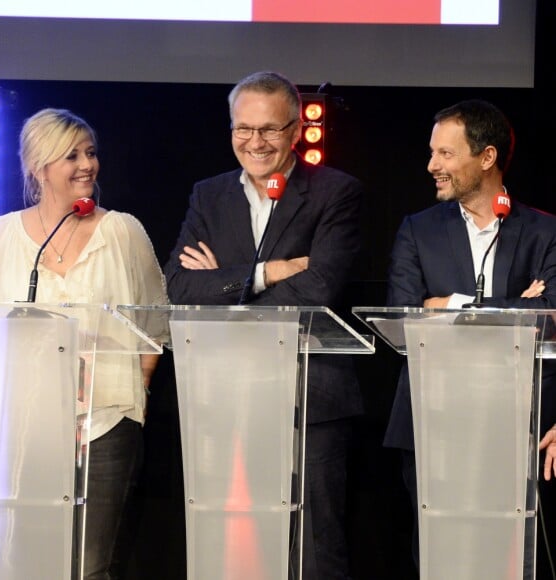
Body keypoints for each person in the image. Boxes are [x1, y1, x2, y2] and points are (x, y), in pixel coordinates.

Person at [164, 71, 364, 579]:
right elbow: (181, 286)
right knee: (232, 542)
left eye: (269, 130)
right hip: (226, 396)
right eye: (243, 129)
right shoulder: (208, 196)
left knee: (316, 547)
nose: (255, 142)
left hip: (309, 399)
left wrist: (226, 287)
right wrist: (268, 272)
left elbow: (320, 289)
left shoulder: (336, 192)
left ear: (296, 131)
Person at [0, 108, 168, 579]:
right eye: (72, 156)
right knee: (22, 558)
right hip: (23, 429)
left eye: (91, 152)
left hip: (105, 421)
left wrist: (134, 390)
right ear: (39, 168)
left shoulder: (122, 231)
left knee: (90, 564)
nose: (88, 165)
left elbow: (155, 320)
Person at [383, 98, 556, 576]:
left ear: (487, 157)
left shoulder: (544, 232)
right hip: (432, 417)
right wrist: (515, 304)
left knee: (505, 557)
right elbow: (404, 317)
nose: (431, 166)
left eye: (445, 154)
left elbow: (551, 317)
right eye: (432, 153)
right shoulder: (417, 230)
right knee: (440, 556)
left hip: (515, 420)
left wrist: (451, 305)